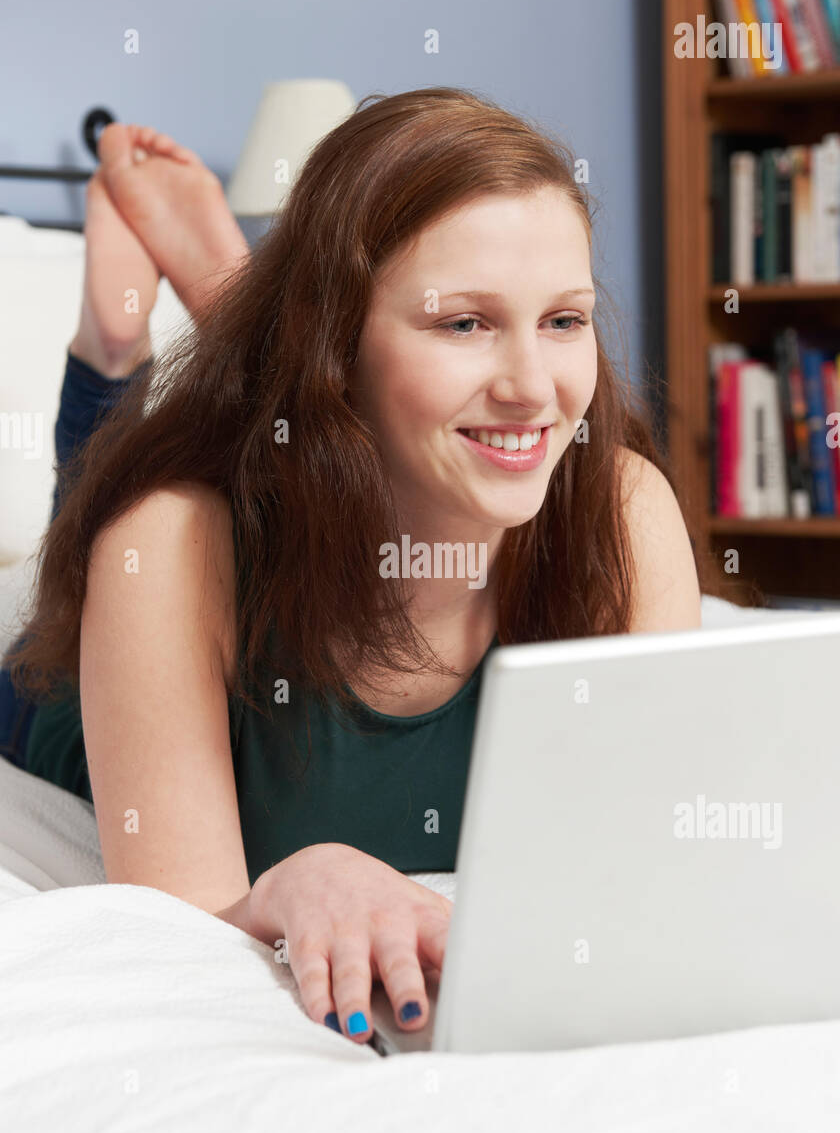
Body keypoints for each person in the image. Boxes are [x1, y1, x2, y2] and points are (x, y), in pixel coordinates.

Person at [2, 87, 703, 1045]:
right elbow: (173, 938)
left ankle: (228, 290)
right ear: (335, 348)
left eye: (564, 321)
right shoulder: (169, 542)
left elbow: (658, 863)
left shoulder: (621, 509)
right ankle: (115, 344)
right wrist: (299, 875)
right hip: (56, 705)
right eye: (463, 323)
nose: (534, 390)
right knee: (80, 544)